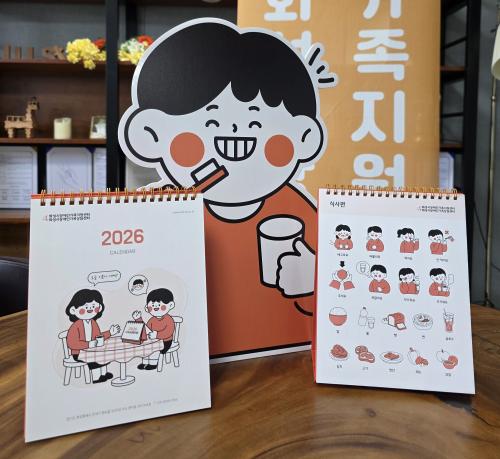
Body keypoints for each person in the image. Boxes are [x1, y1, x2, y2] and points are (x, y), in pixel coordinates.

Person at [119, 20, 337, 356]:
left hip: (281, 354)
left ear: (304, 138)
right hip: (187, 357)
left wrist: (313, 283)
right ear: (150, 134)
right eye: (210, 123)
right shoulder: (163, 207)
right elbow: (133, 289)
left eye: (257, 124)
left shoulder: (295, 210)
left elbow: (327, 308)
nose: (235, 134)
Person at [65, 289, 120, 384]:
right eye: (86, 307)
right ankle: (96, 378)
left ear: (99, 308)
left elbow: (98, 337)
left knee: (104, 355)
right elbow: (72, 343)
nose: (90, 310)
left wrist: (110, 333)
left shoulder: (93, 323)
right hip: (78, 353)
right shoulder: (75, 326)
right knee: (94, 358)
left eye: (94, 307)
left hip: (92, 350)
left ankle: (103, 374)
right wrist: (89, 344)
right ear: (73, 310)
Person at [132, 288, 176, 370]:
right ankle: (145, 362)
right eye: (152, 306)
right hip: (153, 340)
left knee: (154, 348)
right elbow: (146, 330)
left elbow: (168, 332)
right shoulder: (152, 320)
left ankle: (153, 364)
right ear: (147, 308)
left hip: (166, 342)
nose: (156, 308)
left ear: (170, 305)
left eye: (159, 306)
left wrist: (157, 335)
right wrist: (139, 319)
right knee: (145, 346)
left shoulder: (168, 319)